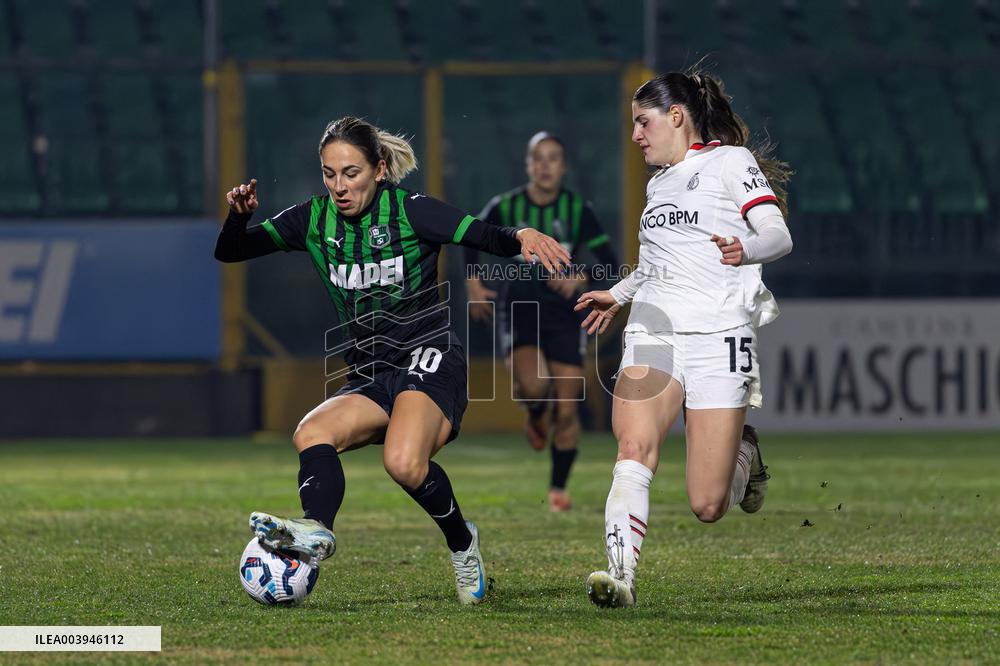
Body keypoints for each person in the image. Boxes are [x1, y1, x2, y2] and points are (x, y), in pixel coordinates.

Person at [214, 116, 569, 606]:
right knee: (310, 433)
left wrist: (521, 236)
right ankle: (316, 529)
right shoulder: (312, 220)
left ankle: (463, 544)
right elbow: (230, 251)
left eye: (352, 173)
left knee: (402, 463)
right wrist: (239, 216)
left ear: (379, 170)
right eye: (329, 173)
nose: (339, 186)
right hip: (369, 372)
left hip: (430, 355)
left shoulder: (412, 211)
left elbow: (481, 234)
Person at [574, 71, 793, 607]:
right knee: (632, 447)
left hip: (720, 332)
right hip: (655, 327)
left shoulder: (730, 162)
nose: (635, 136)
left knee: (708, 504)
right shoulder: (658, 185)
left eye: (642, 122)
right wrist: (618, 295)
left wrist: (746, 250)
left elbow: (777, 235)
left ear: (677, 116)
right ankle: (620, 575)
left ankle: (745, 448)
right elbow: (656, 264)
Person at [465, 132, 618, 512]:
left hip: (565, 311)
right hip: (520, 304)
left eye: (553, 158)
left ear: (563, 166)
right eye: (539, 158)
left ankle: (557, 490)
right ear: (529, 165)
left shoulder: (578, 209)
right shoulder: (506, 205)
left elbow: (611, 263)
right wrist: (472, 283)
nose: (546, 165)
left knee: (567, 411)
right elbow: (470, 236)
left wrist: (580, 276)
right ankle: (535, 414)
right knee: (535, 386)